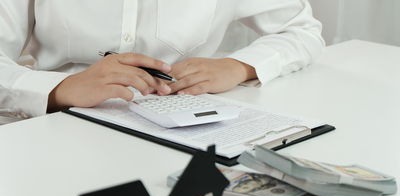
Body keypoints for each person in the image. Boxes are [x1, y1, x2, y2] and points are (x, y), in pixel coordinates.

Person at [0, 0, 324, 119]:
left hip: (183, 130)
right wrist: (59, 89)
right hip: (51, 126)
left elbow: (303, 31)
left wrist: (238, 67)